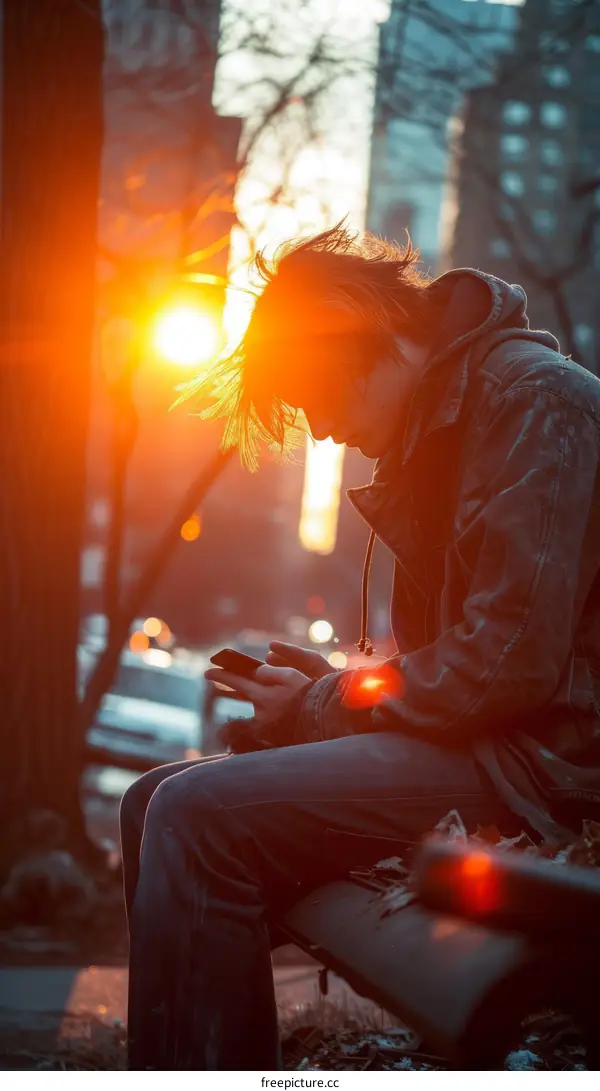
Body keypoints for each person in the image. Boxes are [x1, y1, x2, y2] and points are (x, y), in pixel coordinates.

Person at [120, 223, 600, 1070]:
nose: (326, 429)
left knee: (195, 816)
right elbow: (466, 661)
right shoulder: (448, 424)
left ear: (356, 337)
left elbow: (508, 661)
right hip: (488, 745)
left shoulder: (535, 402)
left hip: (541, 770)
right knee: (152, 797)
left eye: (314, 395)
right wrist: (339, 687)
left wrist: (320, 705)